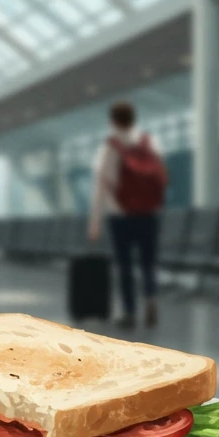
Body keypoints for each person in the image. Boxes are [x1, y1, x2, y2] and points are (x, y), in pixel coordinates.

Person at [88, 100, 168, 329]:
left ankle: (130, 312)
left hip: (120, 216)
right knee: (148, 263)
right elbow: (161, 176)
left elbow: (101, 186)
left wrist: (95, 223)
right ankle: (151, 299)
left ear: (113, 121)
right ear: (134, 119)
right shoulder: (149, 142)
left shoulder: (110, 147)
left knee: (125, 266)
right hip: (149, 214)